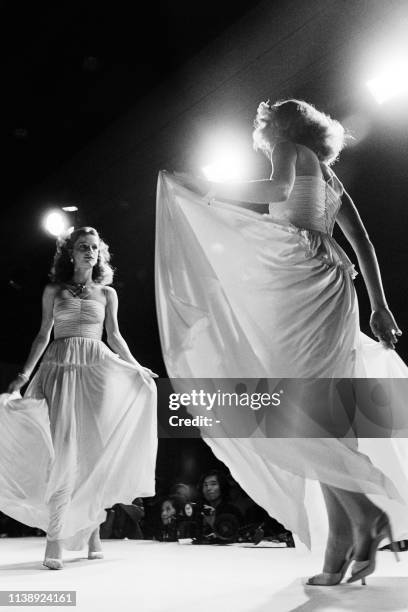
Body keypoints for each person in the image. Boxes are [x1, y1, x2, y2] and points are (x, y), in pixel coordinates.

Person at [155, 99, 408, 585]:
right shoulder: (333, 181)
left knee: (289, 410)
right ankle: (341, 548)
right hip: (337, 284)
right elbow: (363, 244)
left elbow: (277, 189)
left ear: (278, 127)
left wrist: (206, 187)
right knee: (324, 414)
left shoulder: (288, 148)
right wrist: (379, 305)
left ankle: (366, 513)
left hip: (304, 278)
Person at [0, 226, 158, 569]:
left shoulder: (107, 293)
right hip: (58, 370)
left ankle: (91, 531)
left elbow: (115, 336)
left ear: (100, 253)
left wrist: (137, 367)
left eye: (94, 247)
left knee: (91, 454)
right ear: (71, 253)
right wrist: (24, 374)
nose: (89, 252)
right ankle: (55, 540)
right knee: (62, 455)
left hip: (96, 374)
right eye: (83, 247)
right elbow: (43, 335)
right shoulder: (54, 290)